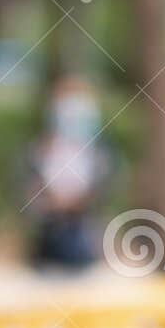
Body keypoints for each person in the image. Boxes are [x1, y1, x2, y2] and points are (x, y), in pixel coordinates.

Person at [24, 75, 109, 270]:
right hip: (45, 246)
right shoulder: (39, 150)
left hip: (87, 245)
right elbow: (29, 196)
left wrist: (75, 203)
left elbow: (101, 193)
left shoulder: (100, 153)